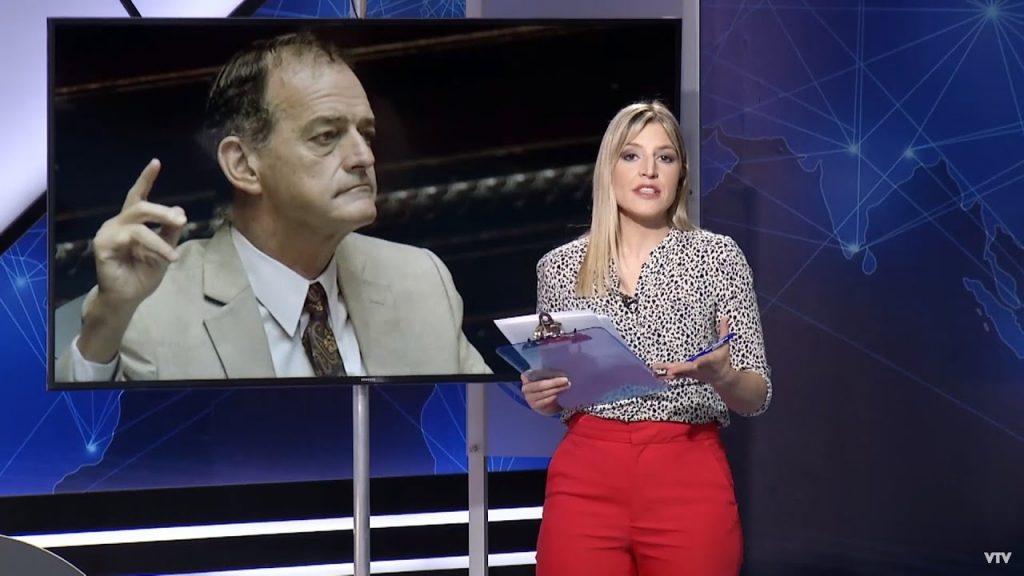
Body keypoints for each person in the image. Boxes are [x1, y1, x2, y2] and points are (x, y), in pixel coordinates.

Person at [54, 31, 490, 383]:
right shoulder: (147, 308)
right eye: (326, 136)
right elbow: (72, 440)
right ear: (243, 165)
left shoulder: (420, 281)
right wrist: (109, 320)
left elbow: (478, 431)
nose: (364, 157)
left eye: (366, 134)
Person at [520, 101, 772, 576]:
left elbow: (756, 395)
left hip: (687, 472)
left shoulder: (718, 258)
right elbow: (556, 389)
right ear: (609, 170)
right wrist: (541, 396)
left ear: (681, 174)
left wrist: (723, 377)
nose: (649, 170)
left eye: (665, 157)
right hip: (585, 478)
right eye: (632, 155)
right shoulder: (560, 267)